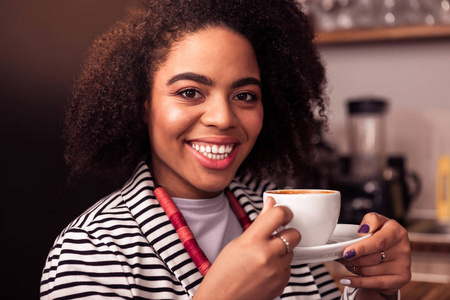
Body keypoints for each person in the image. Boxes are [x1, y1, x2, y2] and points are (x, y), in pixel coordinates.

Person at [40, 0, 411, 299]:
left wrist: (376, 290)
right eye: (189, 92)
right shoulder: (90, 252)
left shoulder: (281, 219)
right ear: (142, 105)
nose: (222, 118)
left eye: (245, 96)